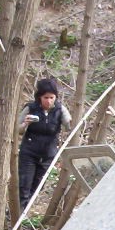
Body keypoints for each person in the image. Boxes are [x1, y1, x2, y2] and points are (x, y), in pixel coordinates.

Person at [17, 77, 71, 210]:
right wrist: (26, 123)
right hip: (29, 153)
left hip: (48, 154)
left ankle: (24, 209)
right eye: (46, 97)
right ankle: (16, 213)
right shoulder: (30, 108)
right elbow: (18, 130)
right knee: (24, 185)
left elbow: (70, 125)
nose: (49, 101)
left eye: (52, 97)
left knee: (37, 186)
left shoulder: (60, 109)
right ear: (39, 97)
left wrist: (71, 122)